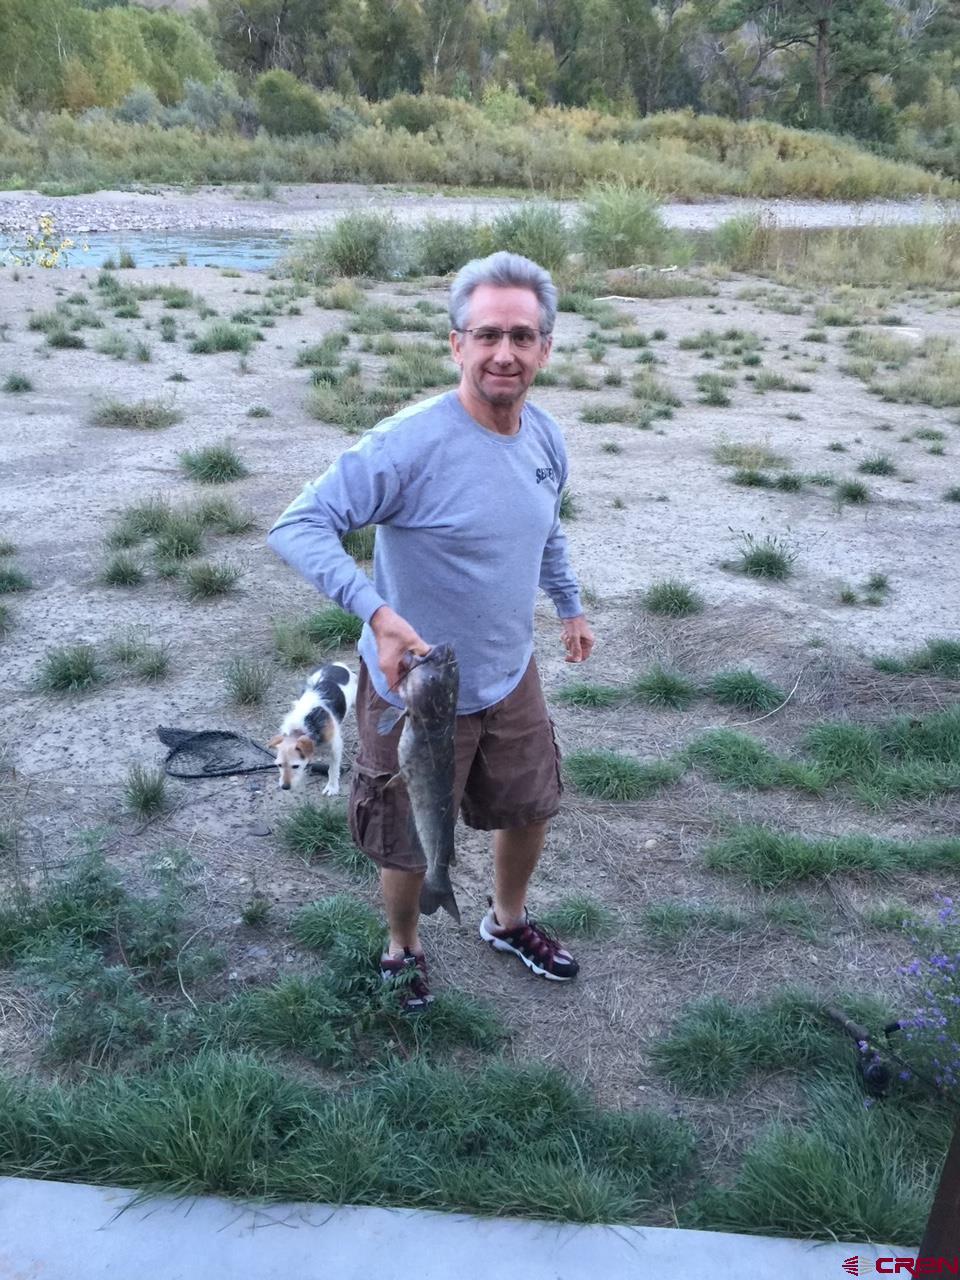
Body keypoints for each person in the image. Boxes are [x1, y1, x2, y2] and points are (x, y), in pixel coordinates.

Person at [267, 250, 594, 1012]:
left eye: (521, 336)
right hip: (411, 687)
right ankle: (403, 945)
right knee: (408, 836)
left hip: (509, 670)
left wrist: (569, 606)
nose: (503, 353)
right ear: (456, 345)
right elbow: (298, 524)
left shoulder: (545, 438)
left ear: (545, 347)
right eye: (485, 336)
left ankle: (506, 921)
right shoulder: (409, 442)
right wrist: (376, 614)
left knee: (530, 806)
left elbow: (546, 530)